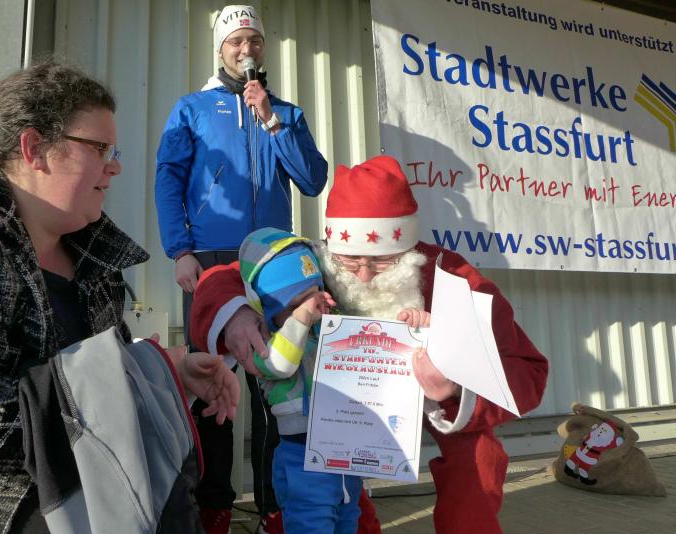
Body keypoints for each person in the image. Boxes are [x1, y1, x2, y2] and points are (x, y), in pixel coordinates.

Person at [0, 62, 238, 533]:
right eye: (100, 148)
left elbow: (103, 380)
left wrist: (171, 378)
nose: (116, 165)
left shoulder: (97, 265)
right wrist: (140, 385)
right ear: (35, 149)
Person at [190, 155, 550, 534]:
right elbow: (223, 277)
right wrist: (235, 314)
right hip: (340, 409)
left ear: (409, 248)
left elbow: (528, 371)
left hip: (428, 400)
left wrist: (455, 388)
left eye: (381, 262)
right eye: (349, 260)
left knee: (476, 454)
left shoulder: (451, 277)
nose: (363, 275)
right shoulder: (314, 263)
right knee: (323, 455)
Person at [154, 5, 328, 532]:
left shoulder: (284, 112)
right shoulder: (191, 108)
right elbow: (168, 179)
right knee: (213, 387)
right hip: (210, 259)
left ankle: (276, 505)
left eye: (254, 40)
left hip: (271, 263)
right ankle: (214, 507)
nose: (246, 48)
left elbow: (313, 179)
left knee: (278, 388)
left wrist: (271, 119)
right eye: (236, 41)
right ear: (221, 48)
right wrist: (180, 250)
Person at [238, 226, 384, 533]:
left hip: (343, 452)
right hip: (301, 455)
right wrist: (301, 318)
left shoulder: (326, 331)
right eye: (293, 306)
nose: (309, 310)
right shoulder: (266, 345)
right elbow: (281, 365)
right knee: (310, 523)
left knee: (348, 518)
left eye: (313, 297)